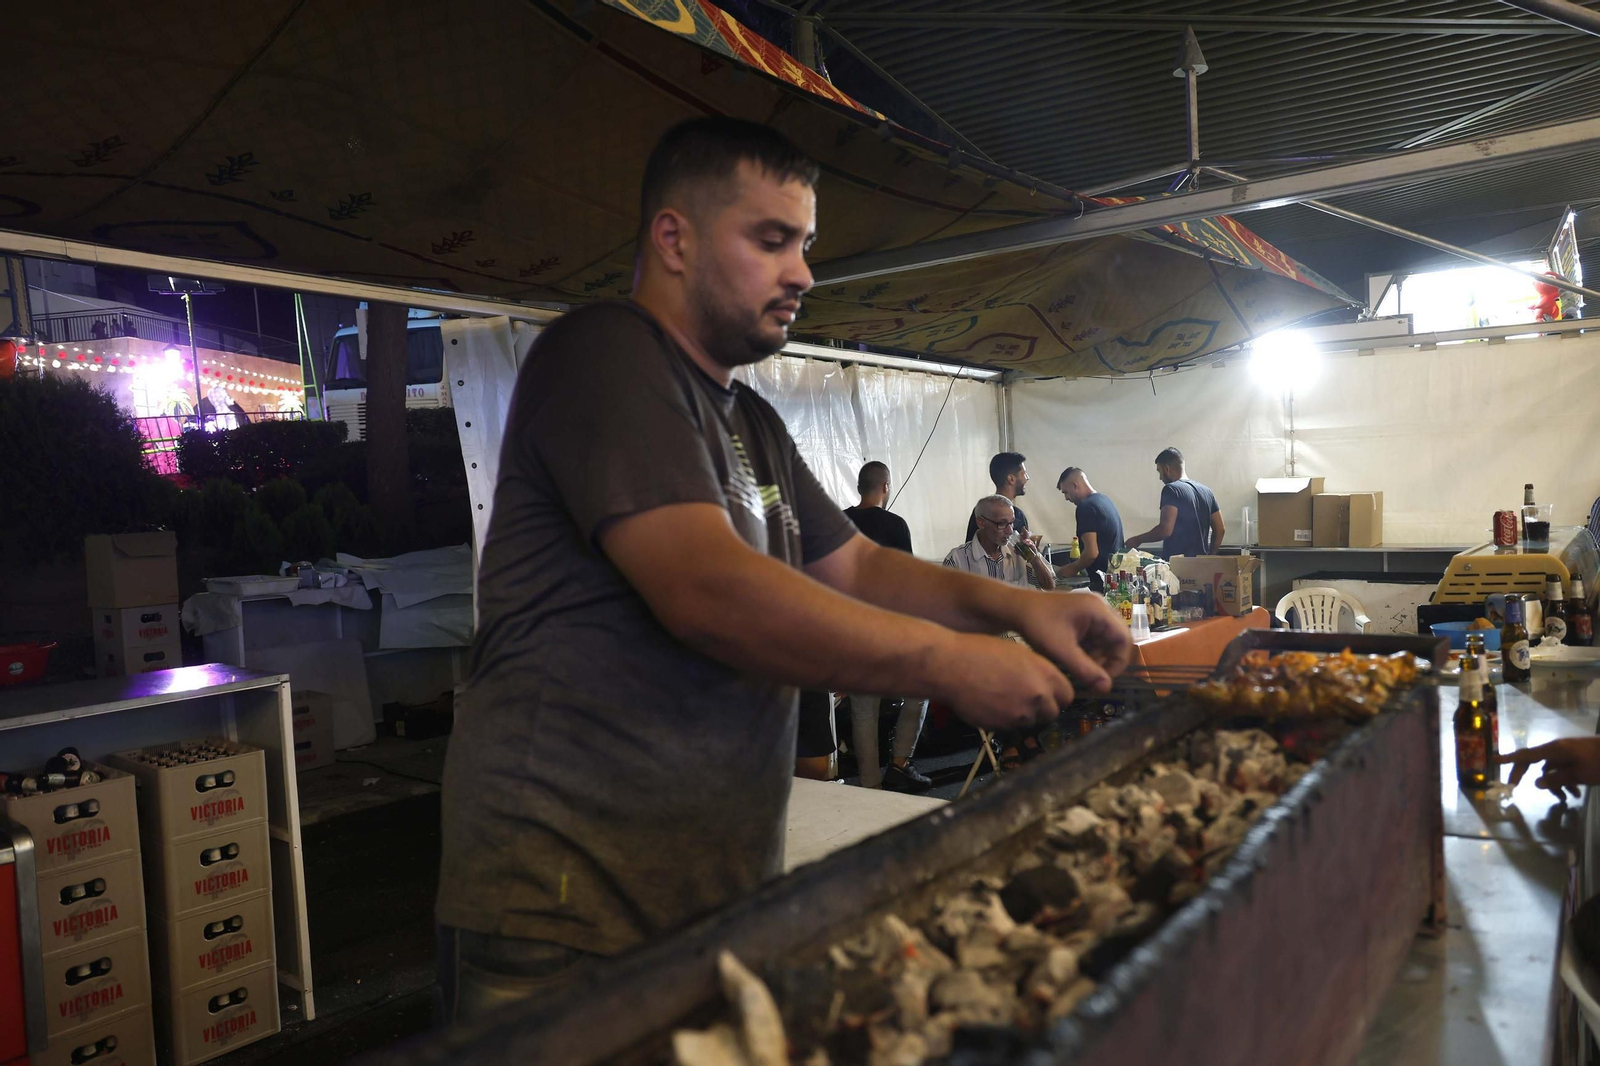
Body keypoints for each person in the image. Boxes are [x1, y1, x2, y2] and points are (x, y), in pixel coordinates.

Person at [433, 117, 1130, 1027]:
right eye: (771, 240)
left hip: (702, 895)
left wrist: (1020, 608)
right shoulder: (603, 355)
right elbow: (708, 590)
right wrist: (950, 662)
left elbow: (861, 566)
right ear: (673, 239)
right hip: (566, 905)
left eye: (804, 244)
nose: (801, 271)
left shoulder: (750, 422)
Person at [843, 461, 930, 790]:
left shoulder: (839, 522)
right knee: (920, 691)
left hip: (850, 628)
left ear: (859, 487)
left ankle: (869, 785)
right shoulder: (895, 525)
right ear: (886, 486)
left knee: (863, 709)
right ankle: (899, 762)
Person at [1125, 446, 1224, 559]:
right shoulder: (1206, 491)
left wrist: (1137, 540)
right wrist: (1209, 557)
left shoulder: (1171, 490)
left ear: (1166, 468)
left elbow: (1165, 530)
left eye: (1159, 471)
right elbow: (1220, 529)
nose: (1160, 477)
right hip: (1201, 567)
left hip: (1179, 567)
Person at [945, 495, 1055, 591]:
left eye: (1011, 523)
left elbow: (1049, 587)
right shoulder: (957, 560)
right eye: (1002, 524)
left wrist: (1034, 558)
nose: (1010, 531)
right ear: (981, 523)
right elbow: (943, 604)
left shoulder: (1020, 552)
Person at [1054, 467, 1123, 591]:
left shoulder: (1086, 507)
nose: (1066, 498)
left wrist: (1067, 571)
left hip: (1101, 584)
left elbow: (1091, 553)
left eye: (1065, 492)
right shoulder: (1105, 500)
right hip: (1115, 580)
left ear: (1075, 486)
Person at [965, 452, 1035, 545]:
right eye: (1024, 474)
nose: (1027, 478)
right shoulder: (983, 512)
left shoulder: (1018, 515)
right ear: (1011, 479)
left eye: (1010, 523)